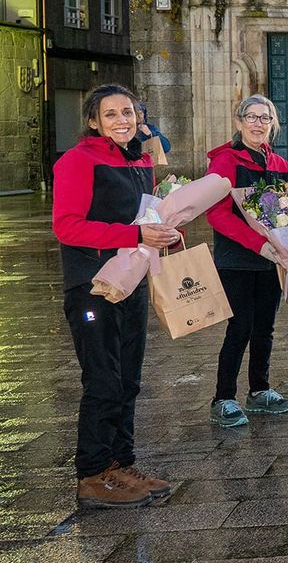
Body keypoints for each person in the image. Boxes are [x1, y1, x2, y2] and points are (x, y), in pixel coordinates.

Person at [53, 84, 176, 507]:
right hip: (92, 286)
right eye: (111, 114)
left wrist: (162, 231)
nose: (122, 120)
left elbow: (144, 218)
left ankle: (121, 464)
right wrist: (136, 233)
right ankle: (92, 475)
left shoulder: (142, 160)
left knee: (129, 379)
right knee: (103, 380)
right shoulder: (77, 161)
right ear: (93, 121)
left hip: (132, 282)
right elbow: (67, 227)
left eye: (128, 112)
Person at [205, 94, 288, 427]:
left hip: (271, 260)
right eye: (252, 117)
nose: (259, 124)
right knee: (240, 328)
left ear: (273, 124)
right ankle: (223, 398)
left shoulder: (280, 164)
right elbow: (216, 214)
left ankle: (259, 391)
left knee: (265, 328)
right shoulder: (226, 161)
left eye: (265, 118)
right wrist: (258, 244)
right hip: (237, 258)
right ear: (239, 121)